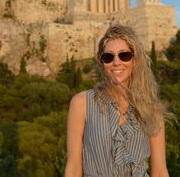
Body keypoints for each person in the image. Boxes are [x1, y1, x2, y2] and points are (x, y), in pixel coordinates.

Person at [65, 24, 170, 177]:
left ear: (134, 60)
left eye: (124, 55)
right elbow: (73, 167)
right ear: (101, 62)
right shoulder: (82, 103)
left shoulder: (151, 110)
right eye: (108, 57)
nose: (116, 62)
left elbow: (160, 171)